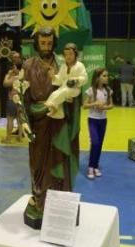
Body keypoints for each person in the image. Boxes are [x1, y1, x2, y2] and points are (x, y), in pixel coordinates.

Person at [18, 27, 81, 228]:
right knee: (38, 166)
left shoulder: (64, 64)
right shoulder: (28, 66)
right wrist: (24, 121)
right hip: (38, 125)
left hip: (60, 123)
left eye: (50, 42)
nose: (46, 46)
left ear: (54, 43)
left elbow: (73, 90)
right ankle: (39, 202)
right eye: (43, 43)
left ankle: (61, 203)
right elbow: (18, 95)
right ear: (37, 43)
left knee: (61, 164)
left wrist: (72, 99)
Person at [83, 68, 114, 179]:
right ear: (98, 77)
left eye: (107, 75)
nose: (107, 78)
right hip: (93, 119)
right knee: (95, 142)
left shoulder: (108, 90)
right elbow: (84, 105)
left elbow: (111, 105)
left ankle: (96, 166)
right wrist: (95, 103)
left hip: (103, 120)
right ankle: (90, 167)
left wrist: (104, 107)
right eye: (104, 76)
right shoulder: (91, 90)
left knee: (99, 144)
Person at [44, 42, 87, 119]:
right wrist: (53, 77)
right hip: (64, 87)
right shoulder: (63, 66)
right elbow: (60, 79)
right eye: (66, 54)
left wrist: (76, 80)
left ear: (75, 54)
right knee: (55, 93)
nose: (68, 56)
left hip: (74, 89)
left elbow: (84, 78)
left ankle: (52, 104)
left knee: (65, 91)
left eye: (70, 54)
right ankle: (57, 111)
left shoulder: (80, 65)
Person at [2, 51, 23, 143]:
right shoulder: (24, 73)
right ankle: (20, 137)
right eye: (14, 57)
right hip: (21, 99)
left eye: (16, 57)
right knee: (19, 119)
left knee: (10, 119)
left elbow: (5, 84)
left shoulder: (15, 75)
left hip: (13, 99)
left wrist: (9, 75)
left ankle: (8, 138)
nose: (15, 59)